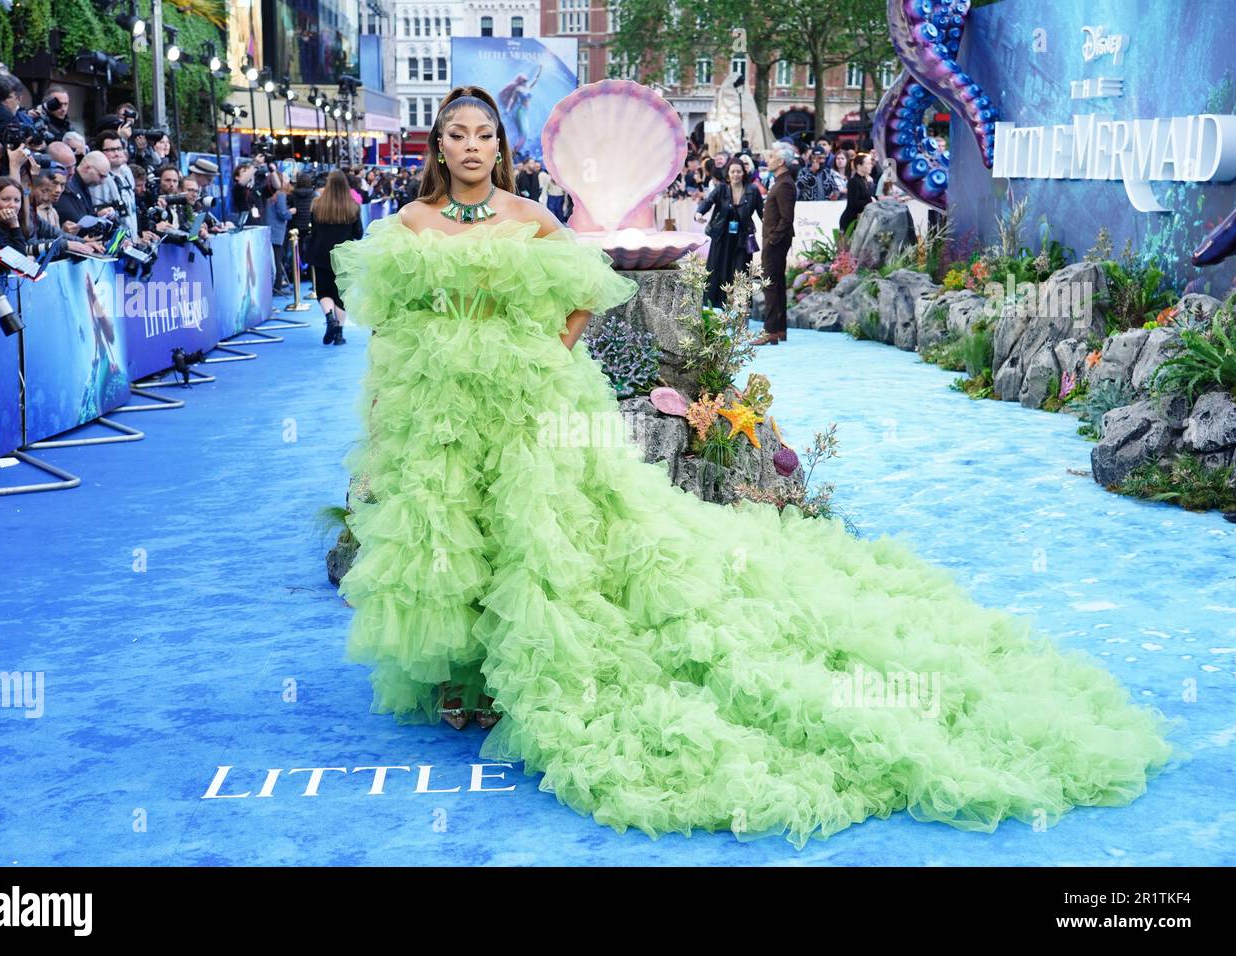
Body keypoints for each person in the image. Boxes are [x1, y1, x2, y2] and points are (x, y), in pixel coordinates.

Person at [327, 83, 1175, 849]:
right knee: (447, 528)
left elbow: (587, 282)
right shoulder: (405, 229)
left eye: (483, 135)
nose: (470, 147)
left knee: (535, 532)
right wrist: (387, 404)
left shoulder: (527, 216)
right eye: (455, 135)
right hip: (438, 406)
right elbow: (391, 328)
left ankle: (515, 673)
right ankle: (461, 674)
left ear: (499, 148)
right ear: (437, 147)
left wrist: (548, 347)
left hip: (527, 400)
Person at [694, 160, 763, 309]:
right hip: (722, 236)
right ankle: (715, 306)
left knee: (741, 271)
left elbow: (762, 212)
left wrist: (772, 228)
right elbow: (708, 201)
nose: (736, 174)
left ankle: (740, 307)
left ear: (743, 173)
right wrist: (699, 213)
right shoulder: (721, 189)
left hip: (743, 237)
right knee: (718, 270)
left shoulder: (753, 190)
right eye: (733, 171)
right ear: (728, 174)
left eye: (738, 171)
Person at [306, 169, 363, 346]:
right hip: (344, 256)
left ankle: (330, 318)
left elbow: (313, 231)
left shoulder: (316, 204)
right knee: (341, 295)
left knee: (323, 291)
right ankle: (339, 334)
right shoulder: (353, 206)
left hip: (320, 254)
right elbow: (358, 234)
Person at [752, 142, 796, 347]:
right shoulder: (781, 181)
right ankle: (778, 329)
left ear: (780, 162)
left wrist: (772, 239)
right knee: (775, 285)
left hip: (775, 242)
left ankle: (771, 330)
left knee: (770, 284)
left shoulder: (785, 184)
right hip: (775, 241)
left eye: (771, 158)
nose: (767, 161)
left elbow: (786, 218)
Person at [265, 172, 295, 295]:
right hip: (277, 230)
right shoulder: (280, 195)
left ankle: (275, 286)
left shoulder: (267, 195)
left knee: (273, 259)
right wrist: (291, 212)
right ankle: (277, 286)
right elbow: (282, 213)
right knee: (277, 259)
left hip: (268, 229)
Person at [839, 151, 876, 237]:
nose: (871, 165)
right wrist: (870, 200)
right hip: (850, 222)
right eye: (868, 164)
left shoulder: (865, 181)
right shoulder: (853, 181)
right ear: (859, 166)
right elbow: (853, 203)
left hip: (861, 220)